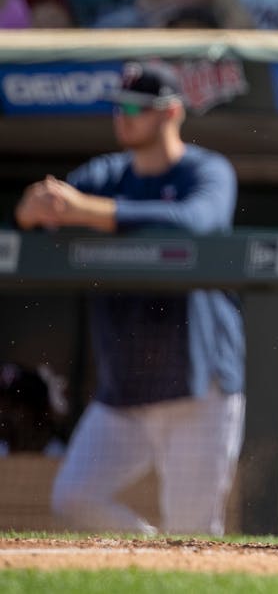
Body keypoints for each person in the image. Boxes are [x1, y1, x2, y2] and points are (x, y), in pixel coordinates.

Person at [13, 61, 244, 535]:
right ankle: (150, 555)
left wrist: (89, 212)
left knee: (194, 530)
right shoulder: (108, 172)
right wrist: (38, 204)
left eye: (138, 107)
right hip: (125, 388)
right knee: (74, 497)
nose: (125, 116)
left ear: (172, 112)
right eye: (119, 107)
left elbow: (196, 222)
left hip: (197, 386)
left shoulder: (206, 169)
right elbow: (34, 211)